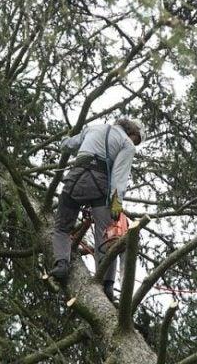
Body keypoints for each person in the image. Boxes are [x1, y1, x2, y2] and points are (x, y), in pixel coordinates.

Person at [50, 118, 143, 301]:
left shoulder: (93, 128)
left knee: (62, 227)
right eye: (136, 140)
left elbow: (68, 145)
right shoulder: (127, 145)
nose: (134, 144)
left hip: (75, 180)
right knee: (106, 236)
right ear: (132, 133)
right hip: (100, 187)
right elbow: (119, 176)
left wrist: (64, 140)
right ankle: (107, 284)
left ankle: (61, 264)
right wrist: (116, 204)